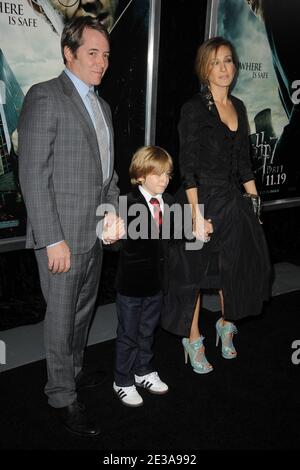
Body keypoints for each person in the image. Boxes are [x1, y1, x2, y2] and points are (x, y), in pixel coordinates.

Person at [18, 16, 125, 437]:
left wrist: (113, 213)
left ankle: (74, 373)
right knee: (61, 320)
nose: (101, 63)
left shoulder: (103, 107)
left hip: (94, 237)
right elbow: (32, 174)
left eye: (106, 55)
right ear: (69, 52)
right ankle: (61, 395)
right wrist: (51, 239)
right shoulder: (45, 96)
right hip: (61, 238)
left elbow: (108, 174)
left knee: (82, 314)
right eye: (92, 53)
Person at [161, 37, 271, 373]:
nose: (224, 68)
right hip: (198, 201)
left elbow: (244, 166)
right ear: (205, 69)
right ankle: (193, 339)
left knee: (235, 269)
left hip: (231, 201)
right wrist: (195, 217)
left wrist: (254, 207)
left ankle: (225, 324)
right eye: (216, 62)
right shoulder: (194, 109)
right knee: (193, 276)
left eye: (228, 61)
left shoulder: (238, 106)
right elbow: (188, 166)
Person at [113, 146, 173, 407]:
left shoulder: (169, 201)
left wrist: (197, 229)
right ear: (139, 175)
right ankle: (122, 380)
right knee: (128, 334)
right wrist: (108, 235)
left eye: (168, 174)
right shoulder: (125, 203)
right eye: (157, 174)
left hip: (156, 283)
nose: (164, 179)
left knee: (148, 330)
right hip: (130, 286)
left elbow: (176, 235)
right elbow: (111, 242)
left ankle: (143, 371)